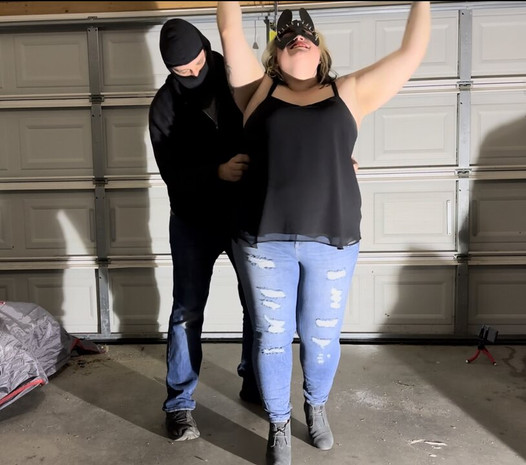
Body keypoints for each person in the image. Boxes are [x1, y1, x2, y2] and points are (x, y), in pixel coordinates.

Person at [217, 2, 431, 464]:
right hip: (264, 240)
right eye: (287, 35)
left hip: (333, 241)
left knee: (321, 339)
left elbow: (411, 52)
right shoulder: (255, 90)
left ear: (320, 50)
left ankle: (315, 407)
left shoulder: (349, 92)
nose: (298, 36)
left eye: (307, 34)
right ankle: (278, 423)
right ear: (275, 54)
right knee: (272, 338)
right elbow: (230, 28)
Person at [148, 18, 261, 442]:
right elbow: (172, 175)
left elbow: (279, 128)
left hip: (244, 215)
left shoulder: (238, 78)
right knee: (187, 312)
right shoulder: (163, 107)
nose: (194, 72)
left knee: (258, 306)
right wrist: (216, 172)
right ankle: (179, 405)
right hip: (192, 220)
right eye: (183, 70)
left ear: (206, 48)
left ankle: (255, 383)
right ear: (170, 69)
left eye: (198, 63)